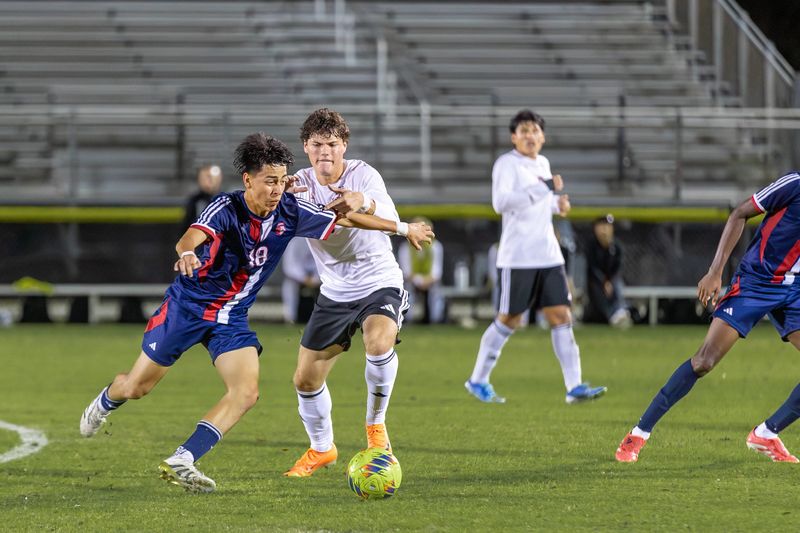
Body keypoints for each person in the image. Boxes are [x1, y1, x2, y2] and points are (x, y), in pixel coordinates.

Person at [78, 132, 433, 493]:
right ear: (248, 180)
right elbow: (191, 236)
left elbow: (346, 221)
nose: (278, 189)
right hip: (188, 308)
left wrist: (404, 228)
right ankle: (107, 400)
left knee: (246, 392)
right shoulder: (226, 207)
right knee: (137, 387)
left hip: (231, 318)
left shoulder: (291, 211)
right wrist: (186, 253)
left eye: (282, 181)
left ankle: (183, 459)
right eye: (269, 181)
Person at [283, 108, 428, 477]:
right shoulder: (297, 184)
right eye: (317, 144)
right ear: (306, 147)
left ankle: (376, 427)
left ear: (344, 145)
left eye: (332, 143)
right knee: (305, 379)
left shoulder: (364, 174)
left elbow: (379, 207)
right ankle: (321, 449)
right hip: (334, 291)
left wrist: (363, 199)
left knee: (379, 344)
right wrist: (277, 196)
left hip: (379, 281)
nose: (325, 152)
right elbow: (336, 218)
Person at [616, 172, 800, 463]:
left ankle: (766, 434)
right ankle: (638, 434)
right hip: (757, 282)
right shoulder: (795, 183)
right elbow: (739, 213)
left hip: (795, 289)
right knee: (704, 361)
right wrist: (716, 271)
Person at [464, 109, 607, 404]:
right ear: (513, 137)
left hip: (548, 254)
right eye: (524, 130)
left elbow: (535, 203)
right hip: (518, 256)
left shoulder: (542, 162)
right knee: (509, 319)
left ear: (543, 137)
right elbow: (501, 202)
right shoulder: (506, 164)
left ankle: (574, 387)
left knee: (562, 315)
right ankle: (478, 380)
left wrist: (556, 204)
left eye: (535, 130)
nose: (530, 135)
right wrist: (544, 188)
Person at [584, 214, 632, 328]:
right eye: (602, 226)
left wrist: (609, 281)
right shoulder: (591, 245)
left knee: (617, 284)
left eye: (607, 226)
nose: (605, 229)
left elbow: (617, 268)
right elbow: (592, 267)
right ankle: (613, 315)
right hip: (595, 281)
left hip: (611, 280)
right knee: (597, 290)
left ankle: (620, 310)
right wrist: (604, 281)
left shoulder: (616, 246)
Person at [397, 216, 447, 324]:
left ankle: (435, 319)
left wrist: (426, 282)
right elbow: (405, 271)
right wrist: (418, 281)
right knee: (407, 289)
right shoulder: (405, 247)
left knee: (435, 290)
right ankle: (407, 319)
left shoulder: (436, 247)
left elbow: (437, 272)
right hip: (412, 281)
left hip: (430, 282)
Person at [281, 237, 321, 324]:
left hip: (318, 277)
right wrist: (304, 278)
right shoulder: (294, 240)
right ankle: (291, 319)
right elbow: (289, 266)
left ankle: (321, 319)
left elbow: (323, 263)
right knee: (290, 284)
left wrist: (315, 278)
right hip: (297, 279)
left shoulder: (320, 239)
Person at [182, 164, 223, 229]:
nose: (210, 181)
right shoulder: (194, 201)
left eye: (212, 177)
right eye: (206, 177)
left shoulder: (227, 200)